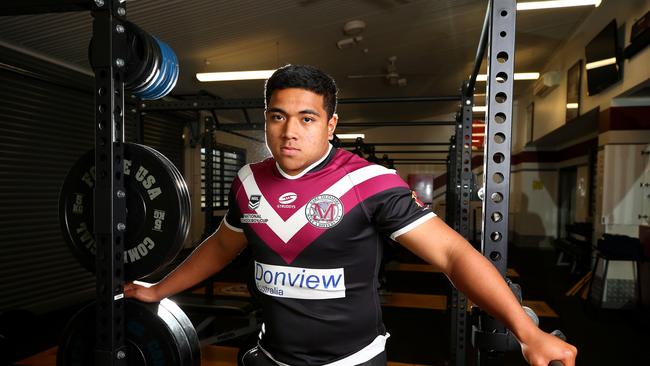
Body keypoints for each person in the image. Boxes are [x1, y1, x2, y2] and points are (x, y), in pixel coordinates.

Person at [125, 64, 577, 366]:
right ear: (266, 119)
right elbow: (222, 246)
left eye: (306, 118)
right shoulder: (248, 180)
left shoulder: (369, 182)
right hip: (271, 356)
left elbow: (453, 256)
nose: (289, 132)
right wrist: (160, 289)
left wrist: (524, 329)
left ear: (331, 124)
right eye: (278, 117)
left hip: (350, 362)